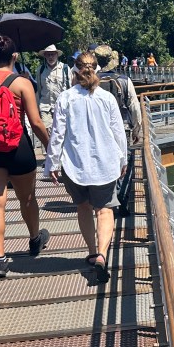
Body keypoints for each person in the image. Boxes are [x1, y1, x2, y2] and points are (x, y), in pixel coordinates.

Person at [0, 35, 51, 278]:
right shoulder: (22, 83)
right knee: (27, 198)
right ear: (15, 56)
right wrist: (51, 147)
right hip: (18, 148)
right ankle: (35, 239)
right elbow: (35, 122)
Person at [45, 51, 127, 283]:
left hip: (75, 165)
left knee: (83, 207)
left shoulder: (66, 98)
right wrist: (123, 159)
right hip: (105, 163)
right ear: (97, 69)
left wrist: (52, 163)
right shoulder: (107, 98)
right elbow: (118, 132)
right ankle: (102, 254)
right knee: (104, 210)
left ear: (74, 69)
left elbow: (57, 134)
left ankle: (91, 251)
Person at [94, 44, 144, 215]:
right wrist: (137, 130)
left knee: (102, 163)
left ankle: (105, 201)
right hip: (122, 128)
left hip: (99, 130)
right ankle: (122, 203)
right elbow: (134, 107)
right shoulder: (124, 80)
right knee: (124, 163)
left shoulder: (91, 81)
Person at [34, 44, 70, 150]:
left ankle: (60, 153)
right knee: (46, 131)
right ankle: (49, 153)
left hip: (61, 106)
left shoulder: (65, 69)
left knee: (62, 131)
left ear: (57, 55)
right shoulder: (40, 70)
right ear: (45, 56)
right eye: (48, 55)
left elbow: (70, 88)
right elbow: (39, 89)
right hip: (45, 106)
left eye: (53, 54)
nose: (50, 57)